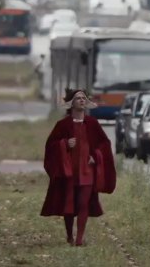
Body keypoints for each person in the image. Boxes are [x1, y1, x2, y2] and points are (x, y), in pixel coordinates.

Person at [40, 88, 117, 246]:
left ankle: (79, 239)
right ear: (71, 103)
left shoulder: (93, 124)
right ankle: (69, 235)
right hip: (69, 171)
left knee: (83, 203)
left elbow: (104, 143)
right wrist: (64, 144)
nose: (82, 100)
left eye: (83, 98)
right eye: (78, 98)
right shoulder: (62, 125)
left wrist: (95, 156)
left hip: (87, 172)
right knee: (69, 205)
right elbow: (50, 145)